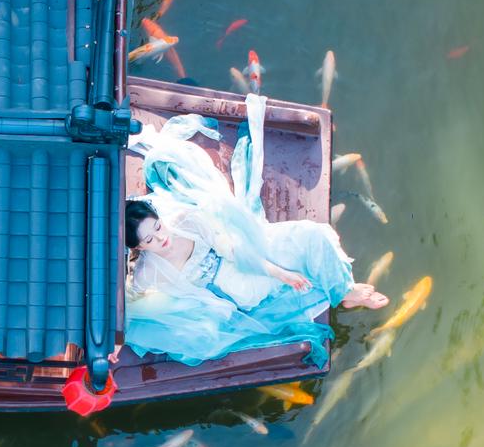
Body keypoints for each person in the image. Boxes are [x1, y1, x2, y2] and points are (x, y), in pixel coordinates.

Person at [121, 95, 386, 369]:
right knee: (253, 297)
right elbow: (132, 305)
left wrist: (276, 271)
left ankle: (344, 289)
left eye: (157, 226)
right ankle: (333, 290)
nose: (161, 238)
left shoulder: (187, 221)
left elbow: (234, 249)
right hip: (233, 293)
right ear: (139, 248)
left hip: (245, 256)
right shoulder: (148, 273)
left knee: (310, 236)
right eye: (150, 239)